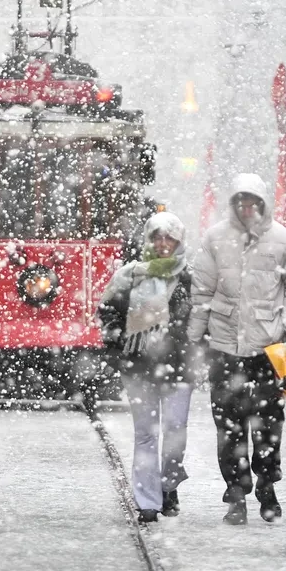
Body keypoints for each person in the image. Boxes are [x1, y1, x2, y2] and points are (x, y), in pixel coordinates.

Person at [188, 173, 286, 525]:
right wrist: (196, 337)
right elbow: (202, 292)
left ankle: (267, 485)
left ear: (261, 204)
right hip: (224, 349)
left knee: (269, 426)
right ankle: (236, 492)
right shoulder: (215, 238)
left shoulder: (284, 240)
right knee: (228, 427)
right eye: (240, 201)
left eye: (252, 201)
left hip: (268, 350)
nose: (246, 208)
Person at [98, 211, 193, 524]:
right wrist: (119, 348)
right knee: (145, 436)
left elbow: (205, 318)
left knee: (176, 432)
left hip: (179, 366)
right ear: (149, 240)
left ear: (178, 241)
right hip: (139, 367)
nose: (163, 243)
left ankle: (168, 485)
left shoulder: (191, 277)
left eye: (169, 237)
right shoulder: (129, 275)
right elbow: (107, 312)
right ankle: (147, 502)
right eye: (157, 236)